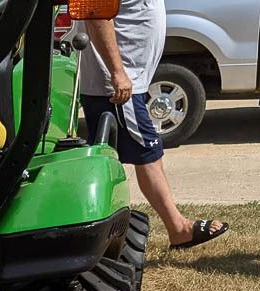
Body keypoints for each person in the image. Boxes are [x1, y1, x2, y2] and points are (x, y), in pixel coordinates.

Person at [79, 1, 228, 250]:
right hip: (115, 85)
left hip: (129, 81)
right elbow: (96, 16)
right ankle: (178, 229)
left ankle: (162, 229)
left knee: (144, 153)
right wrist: (117, 72)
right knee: (146, 153)